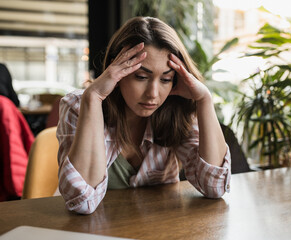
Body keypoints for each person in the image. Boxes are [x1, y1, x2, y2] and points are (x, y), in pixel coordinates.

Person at [57, 16, 231, 214]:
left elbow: (215, 188)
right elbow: (82, 202)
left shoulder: (175, 108)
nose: (153, 94)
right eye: (141, 77)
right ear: (117, 70)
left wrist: (204, 100)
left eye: (166, 79)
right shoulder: (79, 106)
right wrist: (94, 97)